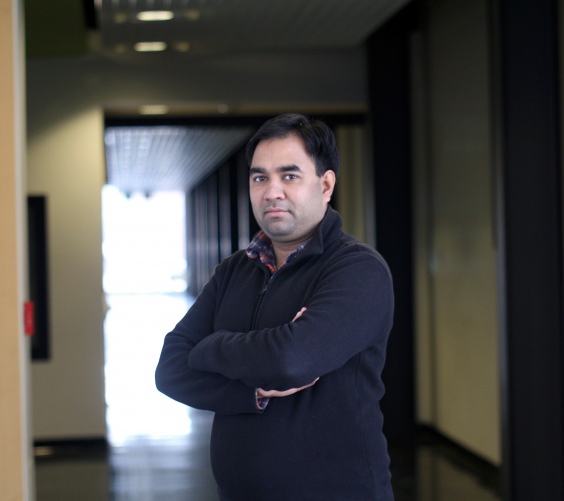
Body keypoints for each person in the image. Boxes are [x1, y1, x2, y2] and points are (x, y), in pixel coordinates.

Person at [155, 113, 395, 500]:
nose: (272, 191)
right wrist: (253, 392)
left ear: (326, 184)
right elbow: (169, 370)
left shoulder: (357, 269)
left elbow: (291, 360)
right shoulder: (235, 270)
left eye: (290, 176)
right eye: (259, 177)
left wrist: (212, 346)